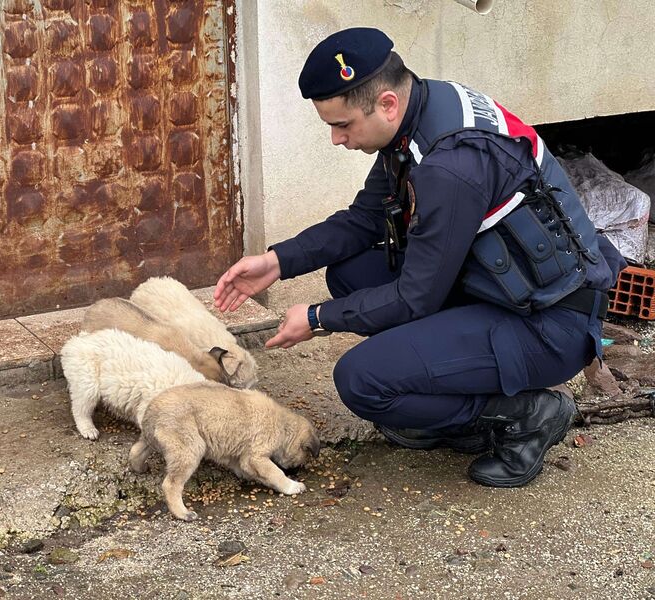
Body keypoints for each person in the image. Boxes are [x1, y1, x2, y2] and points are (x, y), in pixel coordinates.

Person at [213, 27, 626, 488]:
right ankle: (437, 379)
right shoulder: (422, 110)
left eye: (343, 125)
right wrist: (277, 261)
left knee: (361, 381)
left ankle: (526, 414)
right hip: (500, 288)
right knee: (352, 274)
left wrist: (316, 317)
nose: (335, 138)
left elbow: (416, 297)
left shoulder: (449, 166)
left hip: (548, 325)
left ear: (386, 103)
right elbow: (365, 218)